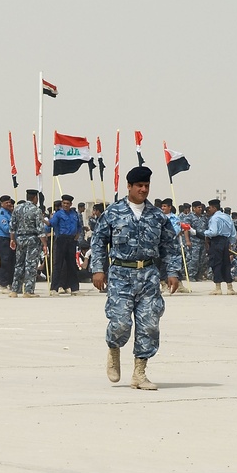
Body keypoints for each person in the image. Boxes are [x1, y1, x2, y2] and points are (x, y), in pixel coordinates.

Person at [89, 166, 179, 391]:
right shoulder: (113, 212)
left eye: (146, 186)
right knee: (120, 323)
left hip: (148, 275)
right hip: (120, 275)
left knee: (149, 325)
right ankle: (113, 349)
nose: (143, 189)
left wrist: (173, 272)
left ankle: (139, 373)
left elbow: (170, 245)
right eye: (139, 185)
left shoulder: (157, 216)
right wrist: (98, 269)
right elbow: (99, 242)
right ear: (129, 186)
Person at [187, 198, 237, 295]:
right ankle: (230, 288)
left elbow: (213, 232)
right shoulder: (227, 217)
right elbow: (233, 234)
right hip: (226, 242)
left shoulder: (214, 218)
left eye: (209, 208)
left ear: (214, 207)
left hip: (216, 242)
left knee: (216, 264)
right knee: (226, 264)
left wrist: (200, 233)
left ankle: (218, 288)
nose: (208, 210)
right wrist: (230, 244)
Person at [8, 189, 47, 298]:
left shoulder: (17, 209)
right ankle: (28, 291)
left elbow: (12, 227)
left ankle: (15, 290)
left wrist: (12, 239)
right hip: (32, 239)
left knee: (19, 264)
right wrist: (45, 244)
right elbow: (40, 230)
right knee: (30, 265)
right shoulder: (36, 210)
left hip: (20, 239)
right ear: (35, 198)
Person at [49, 194, 82, 295]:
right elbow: (51, 224)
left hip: (71, 240)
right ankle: (54, 288)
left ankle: (74, 288)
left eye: (68, 203)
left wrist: (77, 236)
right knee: (58, 264)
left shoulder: (74, 214)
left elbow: (79, 226)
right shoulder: (58, 214)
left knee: (72, 265)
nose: (66, 205)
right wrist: (43, 220)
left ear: (71, 204)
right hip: (61, 240)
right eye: (64, 203)